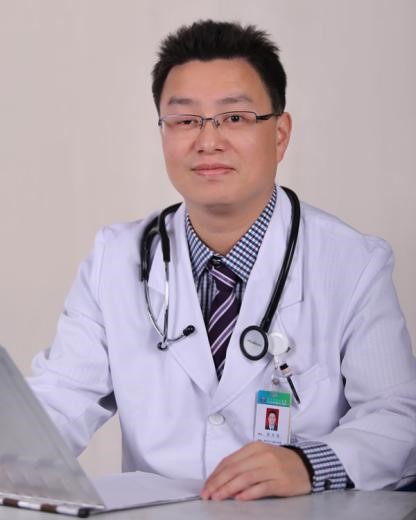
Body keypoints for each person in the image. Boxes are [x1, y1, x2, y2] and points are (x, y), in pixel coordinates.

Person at [29, 20, 416, 500]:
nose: (207, 141)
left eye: (234, 117)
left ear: (279, 134)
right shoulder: (116, 257)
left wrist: (310, 463)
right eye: (184, 120)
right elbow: (58, 401)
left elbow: (397, 416)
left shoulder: (352, 263)